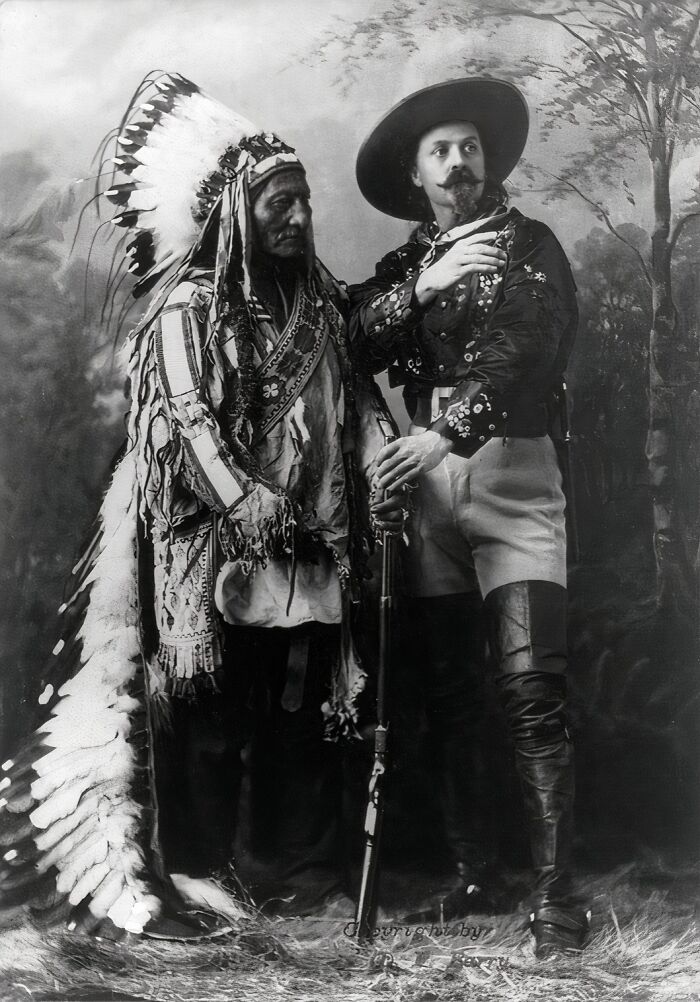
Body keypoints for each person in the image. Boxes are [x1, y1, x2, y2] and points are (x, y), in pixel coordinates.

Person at [0, 72, 401, 939]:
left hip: (309, 547)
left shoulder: (323, 307)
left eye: (303, 202)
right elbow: (183, 420)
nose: (297, 219)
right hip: (207, 550)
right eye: (278, 205)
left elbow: (357, 403)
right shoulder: (189, 310)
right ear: (237, 216)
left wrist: (376, 475)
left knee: (299, 709)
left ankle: (296, 874)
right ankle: (203, 875)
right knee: (211, 717)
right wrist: (244, 499)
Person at [349, 78, 589, 957]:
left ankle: (558, 897)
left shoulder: (531, 247)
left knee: (531, 690)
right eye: (440, 152)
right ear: (418, 175)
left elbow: (528, 349)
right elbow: (351, 342)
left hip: (513, 475)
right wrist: (422, 287)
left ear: (487, 164)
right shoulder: (406, 268)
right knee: (451, 694)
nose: (458, 163)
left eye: (469, 149)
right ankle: (477, 872)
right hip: (426, 495)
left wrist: (443, 433)